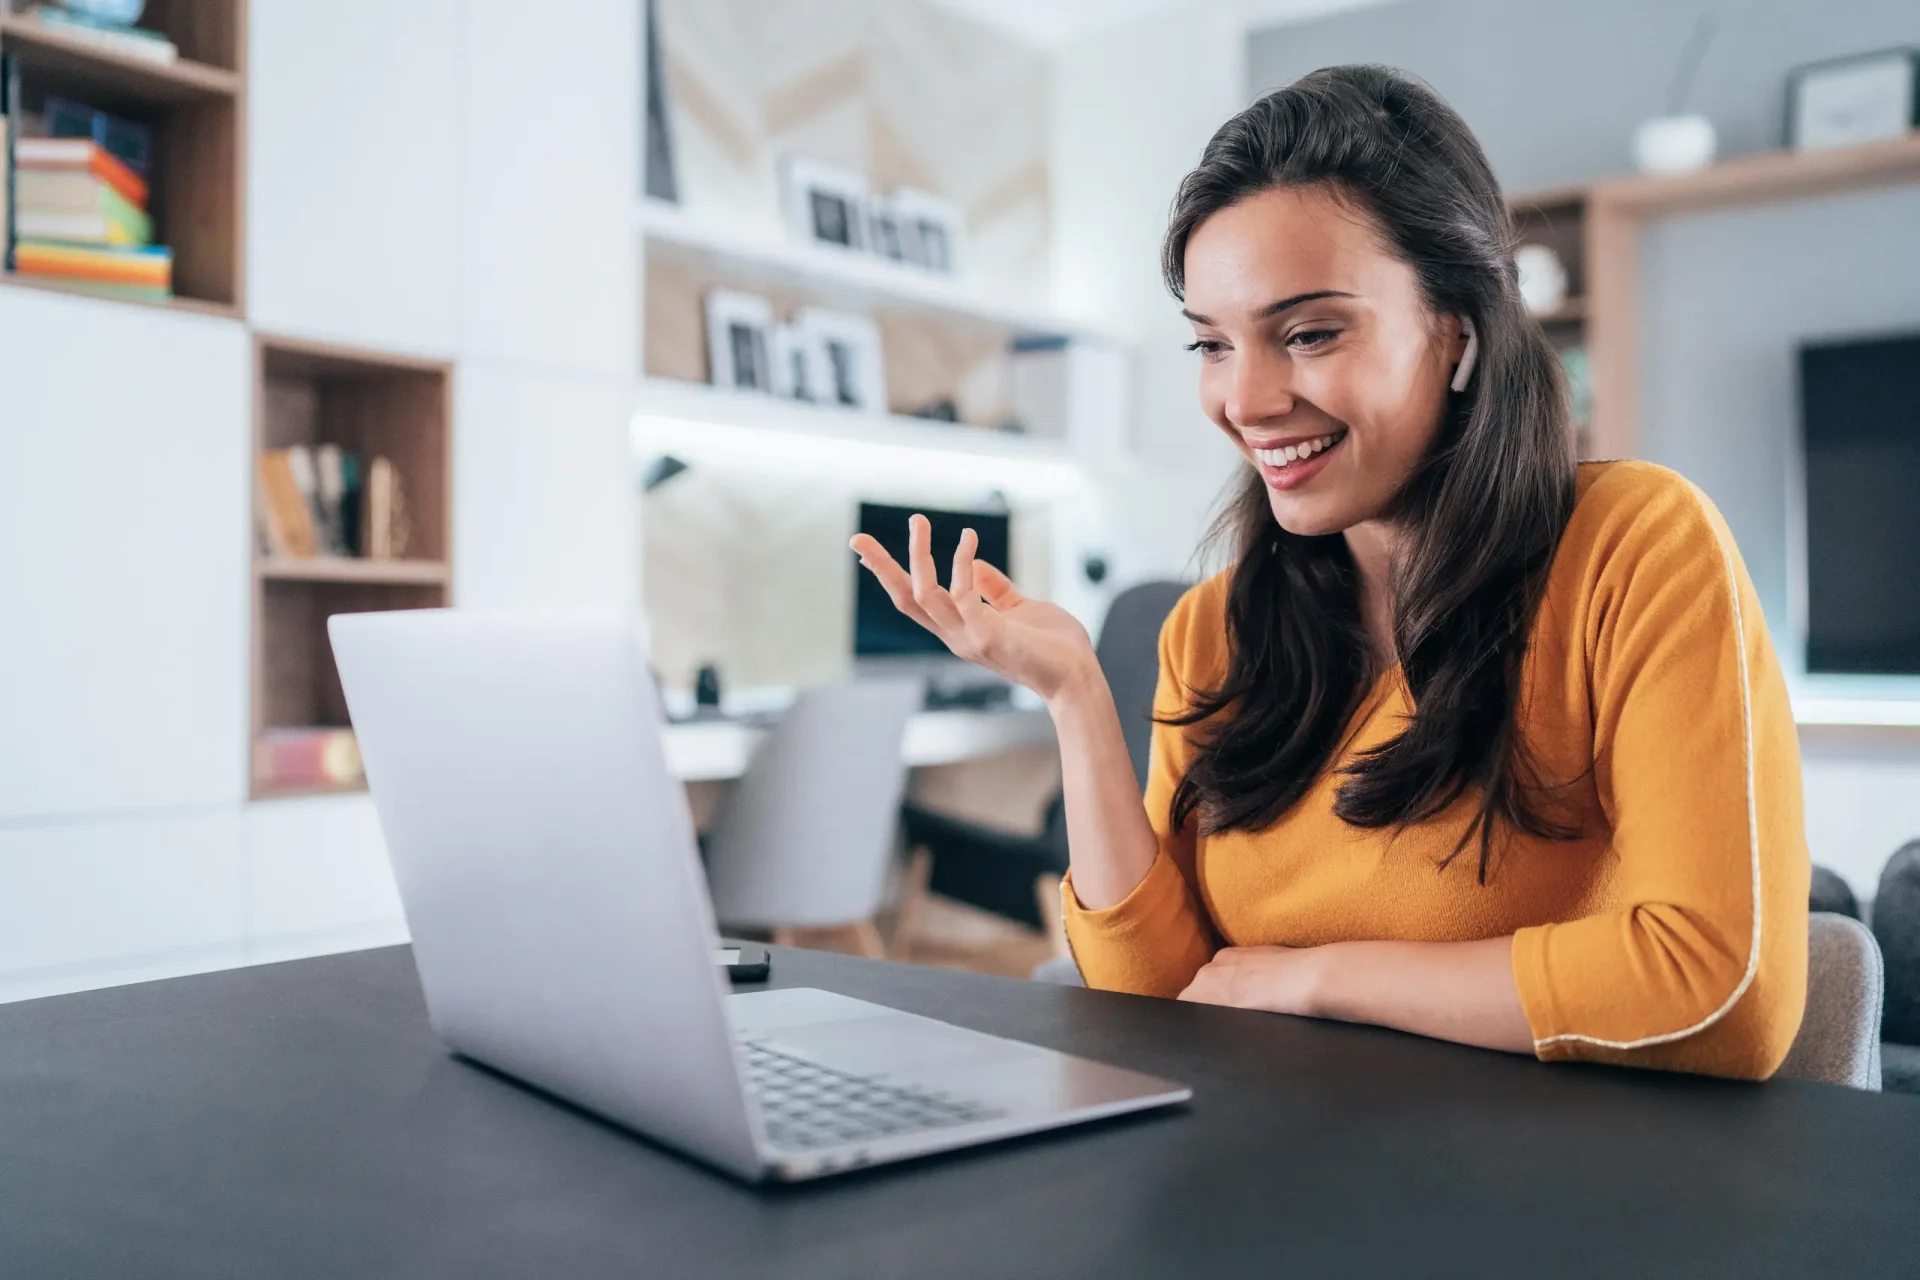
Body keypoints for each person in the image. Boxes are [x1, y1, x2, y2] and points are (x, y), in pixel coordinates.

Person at [851, 65, 1808, 1080]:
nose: (1246, 398)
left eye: (1309, 333)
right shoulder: (1212, 628)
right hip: (1269, 1177)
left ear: (1459, 331)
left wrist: (1319, 976)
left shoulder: (1637, 547)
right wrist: (1076, 694)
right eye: (1212, 344)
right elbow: (1159, 1000)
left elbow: (1719, 987)